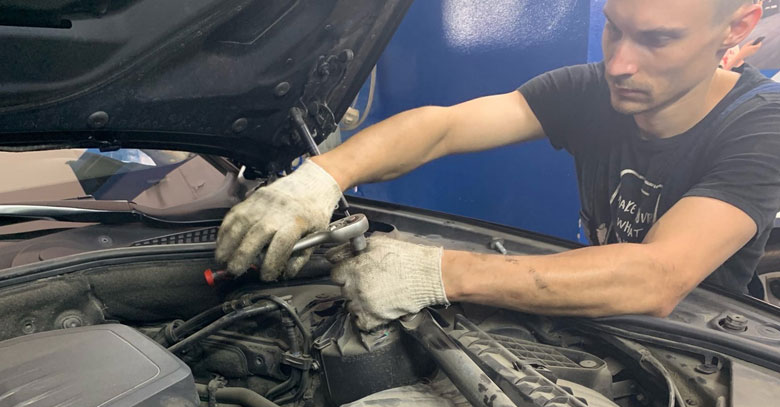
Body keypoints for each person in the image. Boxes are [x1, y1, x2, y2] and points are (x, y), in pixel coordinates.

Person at [216, 0, 780, 331]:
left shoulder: (761, 129)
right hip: (596, 318)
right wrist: (320, 178)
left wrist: (438, 273)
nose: (619, 64)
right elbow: (444, 128)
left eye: (657, 40)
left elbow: (657, 277)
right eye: (615, 28)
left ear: (737, 28)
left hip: (701, 349)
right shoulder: (593, 91)